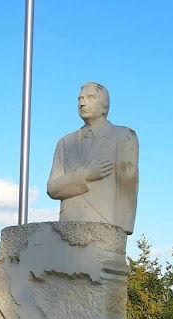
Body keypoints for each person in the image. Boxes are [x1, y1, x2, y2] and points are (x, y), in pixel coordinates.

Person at [46, 82, 138, 234]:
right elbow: (52, 188)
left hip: (105, 223)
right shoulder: (64, 142)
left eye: (90, 97)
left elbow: (128, 186)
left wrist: (122, 230)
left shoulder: (123, 136)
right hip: (68, 226)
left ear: (104, 106)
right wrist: (85, 175)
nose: (82, 103)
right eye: (80, 98)